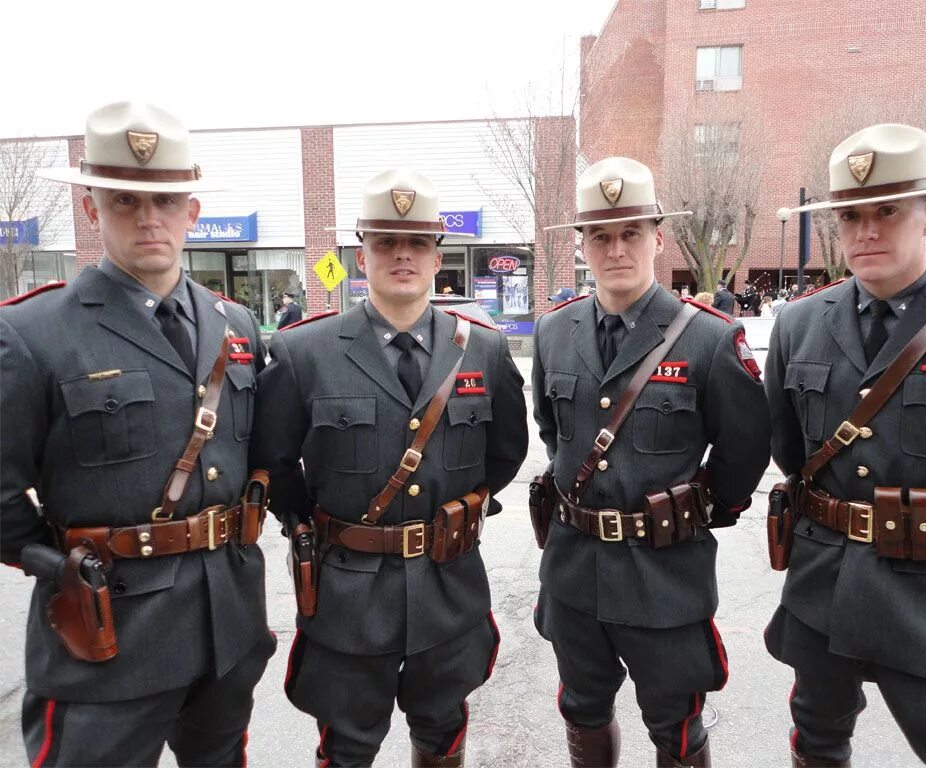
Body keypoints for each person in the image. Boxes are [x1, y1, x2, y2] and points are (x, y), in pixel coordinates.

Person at [1, 101, 275, 766]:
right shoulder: (33, 335)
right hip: (108, 640)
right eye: (125, 200)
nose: (148, 218)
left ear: (192, 210)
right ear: (92, 210)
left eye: (165, 200)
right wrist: (61, 566)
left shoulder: (234, 324)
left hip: (226, 628)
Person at [764, 123, 926, 766]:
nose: (867, 231)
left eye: (887, 211)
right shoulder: (800, 324)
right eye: (850, 216)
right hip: (823, 585)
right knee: (817, 738)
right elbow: (791, 452)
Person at [251, 168, 528, 767]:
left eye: (418, 243)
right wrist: (311, 525)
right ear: (361, 255)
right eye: (385, 242)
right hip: (347, 589)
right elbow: (273, 462)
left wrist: (459, 510)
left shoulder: (483, 349)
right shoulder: (304, 353)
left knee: (443, 732)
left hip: (448, 585)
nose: (401, 254)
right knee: (348, 745)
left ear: (437, 258)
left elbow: (506, 452)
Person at [534, 156, 771, 766]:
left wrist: (690, 510)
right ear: (582, 246)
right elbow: (552, 430)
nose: (616, 249)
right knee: (582, 707)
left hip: (664, 571)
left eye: (631, 233)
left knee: (675, 721)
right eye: (601, 236)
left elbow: (745, 450)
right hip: (574, 568)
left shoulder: (708, 338)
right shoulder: (554, 332)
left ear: (657, 238)